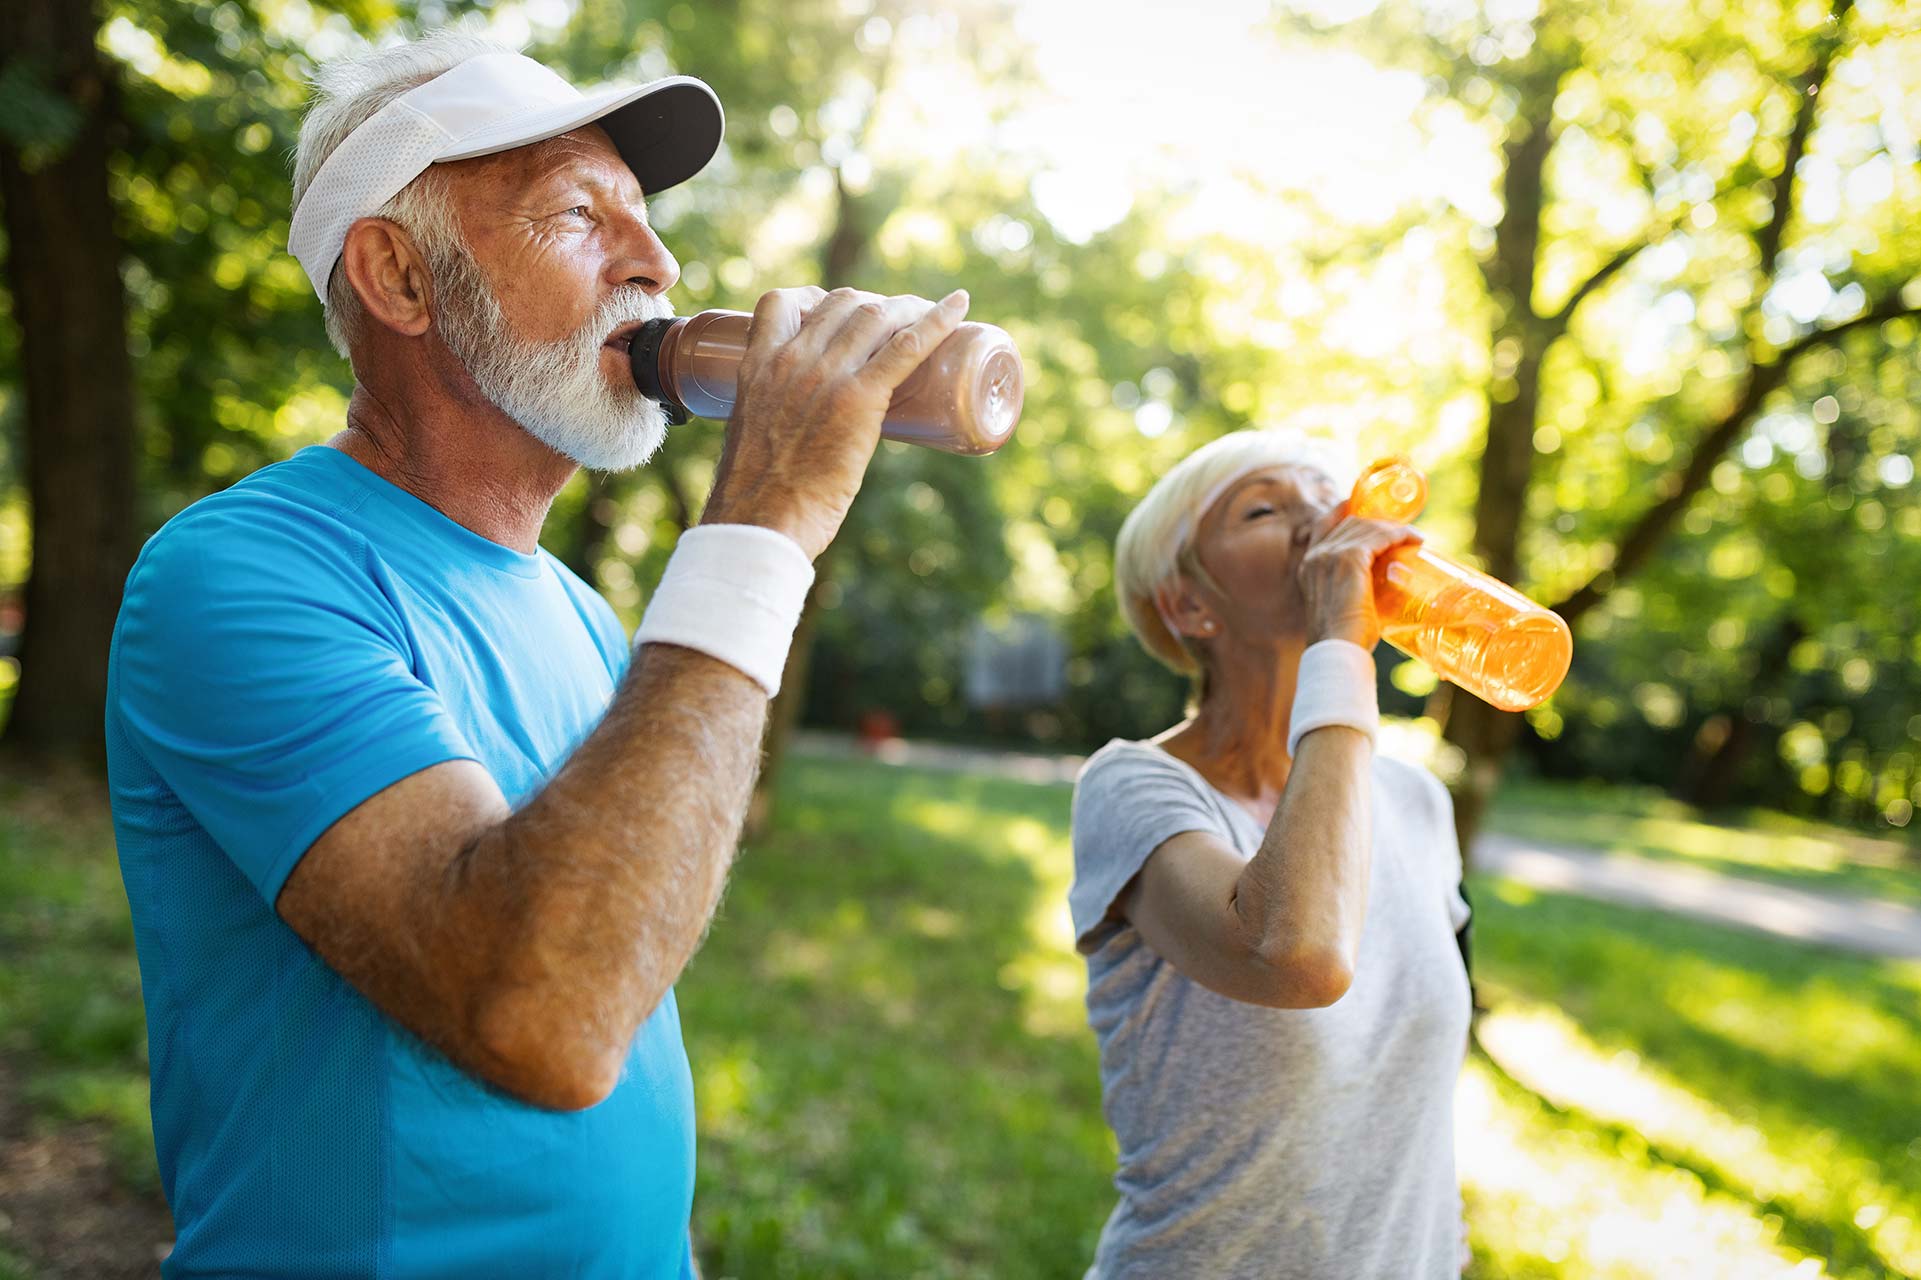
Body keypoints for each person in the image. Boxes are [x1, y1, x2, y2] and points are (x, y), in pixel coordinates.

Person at [104, 32, 969, 1278]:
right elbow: (542, 1017)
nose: (659, 264)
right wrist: (764, 521)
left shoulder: (580, 612)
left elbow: (623, 1000)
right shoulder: (240, 573)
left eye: (645, 215)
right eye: (578, 213)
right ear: (399, 276)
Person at [1068, 430, 1475, 1279]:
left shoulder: (1412, 804)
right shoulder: (1133, 787)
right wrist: (1339, 643)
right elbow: (1293, 954)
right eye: (1263, 507)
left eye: (1325, 497)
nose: (1315, 521)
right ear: (1190, 606)